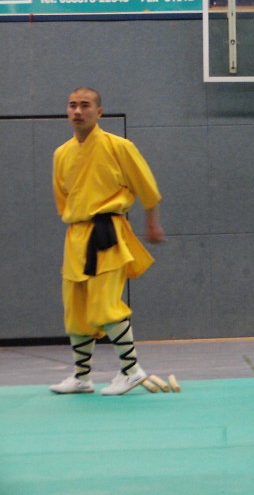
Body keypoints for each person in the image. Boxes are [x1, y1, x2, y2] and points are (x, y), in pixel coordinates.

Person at [49, 87, 165, 396]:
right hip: (76, 236)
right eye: (72, 105)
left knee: (104, 306)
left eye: (85, 105)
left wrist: (152, 223)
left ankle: (132, 371)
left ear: (98, 112)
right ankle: (82, 377)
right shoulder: (61, 154)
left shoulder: (119, 146)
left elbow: (147, 187)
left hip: (107, 235)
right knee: (76, 309)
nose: (77, 111)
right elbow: (63, 199)